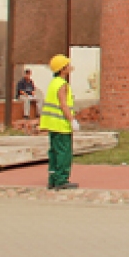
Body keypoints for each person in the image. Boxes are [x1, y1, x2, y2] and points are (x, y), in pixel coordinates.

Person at [40, 54, 80, 190]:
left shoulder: (53, 83)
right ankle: (62, 179)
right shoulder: (62, 85)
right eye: (67, 65)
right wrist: (72, 120)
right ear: (62, 69)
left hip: (52, 124)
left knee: (54, 152)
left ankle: (53, 179)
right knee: (64, 152)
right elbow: (64, 105)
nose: (70, 66)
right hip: (61, 124)